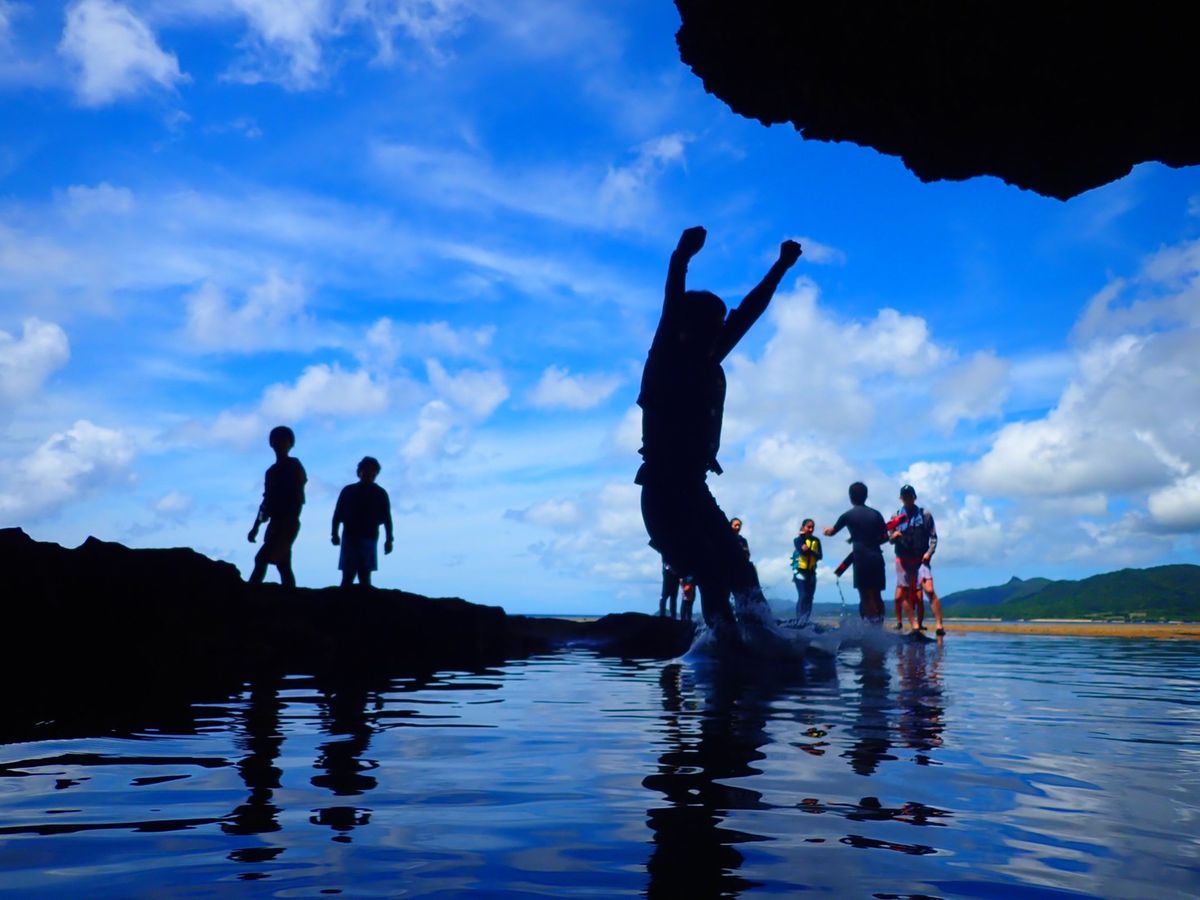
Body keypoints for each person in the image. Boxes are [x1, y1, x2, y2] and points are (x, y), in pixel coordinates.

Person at [636, 225, 802, 631]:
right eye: (713, 325)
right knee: (710, 571)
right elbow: (671, 306)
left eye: (720, 326)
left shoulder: (708, 358)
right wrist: (681, 257)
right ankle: (722, 648)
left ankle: (764, 638)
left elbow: (749, 312)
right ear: (689, 329)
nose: (721, 331)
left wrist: (780, 267)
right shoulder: (667, 358)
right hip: (665, 492)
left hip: (694, 489)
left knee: (741, 569)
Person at [248, 425, 306, 588]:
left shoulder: (294, 466)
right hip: (276, 522)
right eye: (276, 440)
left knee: (262, 559)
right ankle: (290, 595)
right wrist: (256, 526)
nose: (279, 443)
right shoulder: (271, 472)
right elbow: (266, 501)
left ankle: (249, 592)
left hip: (287, 522)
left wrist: (289, 521)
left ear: (290, 443)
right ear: (271, 443)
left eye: (283, 440)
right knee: (283, 564)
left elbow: (298, 496)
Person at [824, 482, 888, 622]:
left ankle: (871, 628)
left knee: (865, 595)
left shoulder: (847, 515)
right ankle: (879, 626)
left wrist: (825, 531)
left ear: (851, 497)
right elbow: (885, 538)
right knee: (876, 595)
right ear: (866, 496)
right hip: (876, 557)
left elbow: (832, 532)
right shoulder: (877, 514)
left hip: (861, 559)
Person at [889, 484, 945, 635]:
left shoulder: (925, 515)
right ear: (901, 498)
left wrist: (929, 553)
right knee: (904, 593)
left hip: (921, 559)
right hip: (903, 559)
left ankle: (939, 626)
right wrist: (893, 536)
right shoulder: (895, 517)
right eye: (904, 496)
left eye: (910, 496)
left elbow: (933, 537)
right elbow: (889, 538)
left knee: (929, 590)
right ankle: (914, 626)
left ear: (914, 497)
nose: (907, 498)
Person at [331, 456, 394, 588]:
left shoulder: (380, 493)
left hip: (368, 537)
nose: (369, 474)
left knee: (364, 575)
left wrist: (389, 539)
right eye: (366, 471)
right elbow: (338, 513)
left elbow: (387, 518)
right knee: (348, 575)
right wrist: (334, 533)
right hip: (351, 536)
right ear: (360, 472)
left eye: (372, 472)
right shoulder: (348, 491)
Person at [791, 518, 823, 622]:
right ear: (803, 527)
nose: (811, 529)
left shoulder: (816, 541)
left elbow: (820, 556)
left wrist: (809, 550)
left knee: (810, 597)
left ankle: (805, 620)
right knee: (803, 595)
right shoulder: (798, 540)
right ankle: (799, 619)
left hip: (811, 572)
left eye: (812, 527)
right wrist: (812, 552)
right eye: (808, 527)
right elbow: (802, 552)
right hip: (800, 572)